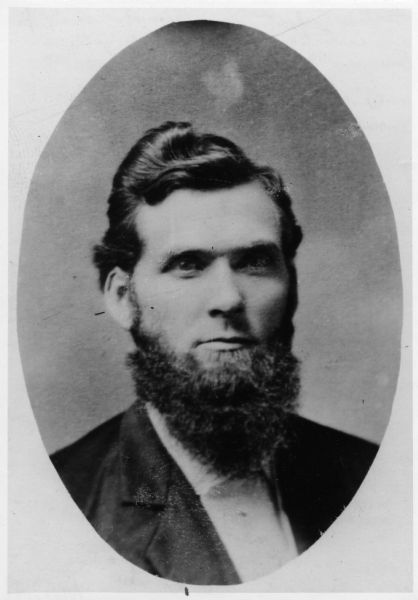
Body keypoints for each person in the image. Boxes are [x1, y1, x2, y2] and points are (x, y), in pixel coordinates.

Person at [51, 121, 378, 586]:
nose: (228, 297)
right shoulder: (59, 504)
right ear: (123, 297)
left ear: (292, 282)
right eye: (188, 265)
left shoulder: (374, 478)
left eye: (255, 262)